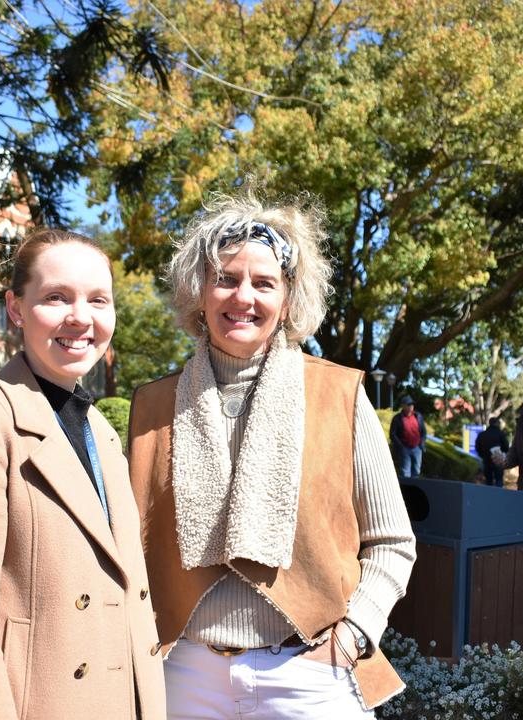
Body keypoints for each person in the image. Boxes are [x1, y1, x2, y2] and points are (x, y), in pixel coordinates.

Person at [127, 189, 416, 718]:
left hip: (312, 672)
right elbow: (128, 551)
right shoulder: (152, 405)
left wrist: (351, 639)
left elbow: (393, 543)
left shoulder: (339, 394)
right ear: (200, 292)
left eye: (264, 283)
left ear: (287, 300)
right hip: (186, 675)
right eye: (227, 279)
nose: (244, 297)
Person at [0, 229, 166, 719]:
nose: (81, 317)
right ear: (15, 308)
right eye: (56, 297)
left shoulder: (101, 432)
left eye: (99, 299)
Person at [389, 395, 427, 481]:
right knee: (405, 472)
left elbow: (423, 432)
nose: (411, 407)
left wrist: (422, 444)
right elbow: (393, 434)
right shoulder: (397, 418)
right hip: (405, 448)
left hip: (417, 448)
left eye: (412, 405)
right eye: (408, 405)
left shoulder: (418, 416)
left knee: (416, 471)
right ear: (403, 406)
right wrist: (400, 446)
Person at [474, 416, 509, 488]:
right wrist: (503, 455)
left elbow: (477, 447)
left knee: (488, 481)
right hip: (498, 461)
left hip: (486, 461)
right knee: (499, 481)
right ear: (497, 423)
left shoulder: (482, 434)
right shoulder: (501, 434)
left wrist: (483, 455)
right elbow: (506, 447)